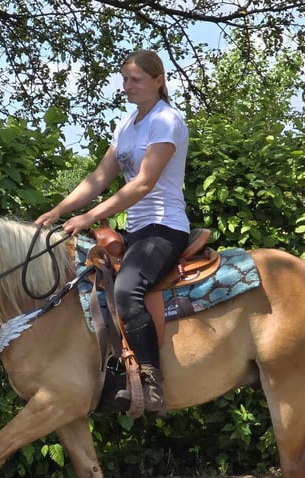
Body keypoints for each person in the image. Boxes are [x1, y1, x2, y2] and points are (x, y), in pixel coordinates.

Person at [35, 49, 190, 414]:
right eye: (125, 79)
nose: (128, 86)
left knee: (127, 289)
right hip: (136, 231)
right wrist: (59, 210)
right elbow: (99, 178)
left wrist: (88, 218)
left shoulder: (166, 120)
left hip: (164, 228)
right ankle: (110, 371)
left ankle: (152, 382)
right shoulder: (126, 124)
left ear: (158, 80)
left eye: (136, 79)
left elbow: (142, 185)